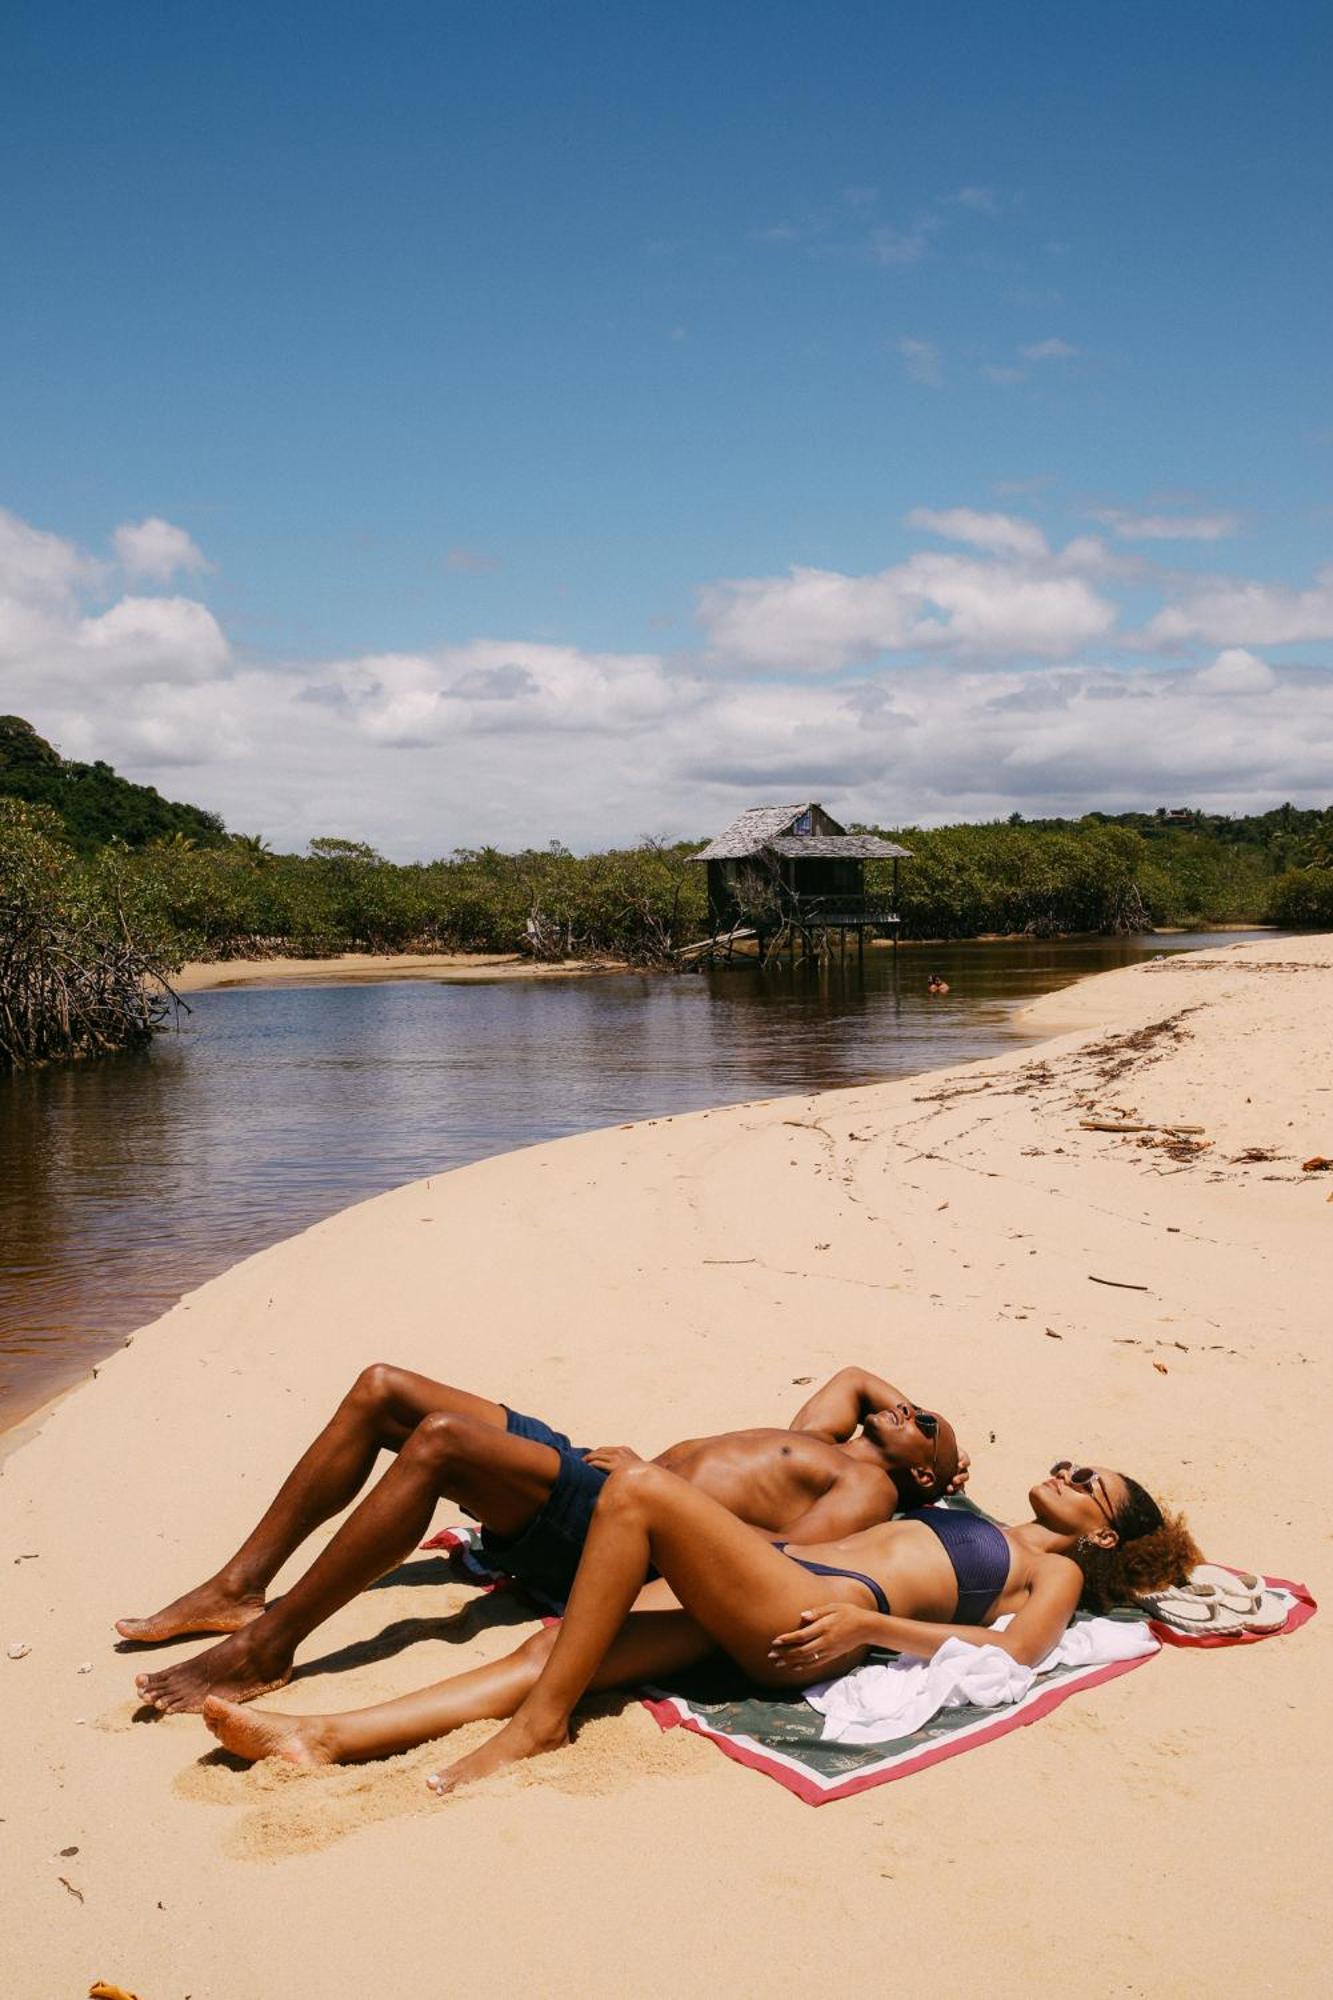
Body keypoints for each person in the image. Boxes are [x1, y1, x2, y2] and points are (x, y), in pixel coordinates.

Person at [199, 1456, 1198, 1787]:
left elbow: (1013, 1656)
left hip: (812, 1616)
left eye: (1087, 1482)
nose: (1063, 1473)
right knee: (558, 1645)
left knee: (637, 1491)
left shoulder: (1046, 1570)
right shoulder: (980, 1518)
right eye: (1070, 1462)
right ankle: (322, 1735)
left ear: (1105, 1536)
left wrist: (872, 1635)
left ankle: (537, 1730)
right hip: (777, 1578)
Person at [123, 1363, 963, 1712]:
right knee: (382, 1388)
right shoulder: (830, 1436)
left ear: (918, 1476)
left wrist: (655, 1485)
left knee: (441, 1442)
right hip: (597, 1475)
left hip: (615, 1528)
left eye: (922, 1422)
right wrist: (931, 1437)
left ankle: (267, 1647)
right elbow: (854, 1376)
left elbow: (775, 1568)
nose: (902, 1407)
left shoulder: (864, 1487)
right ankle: (239, 1585)